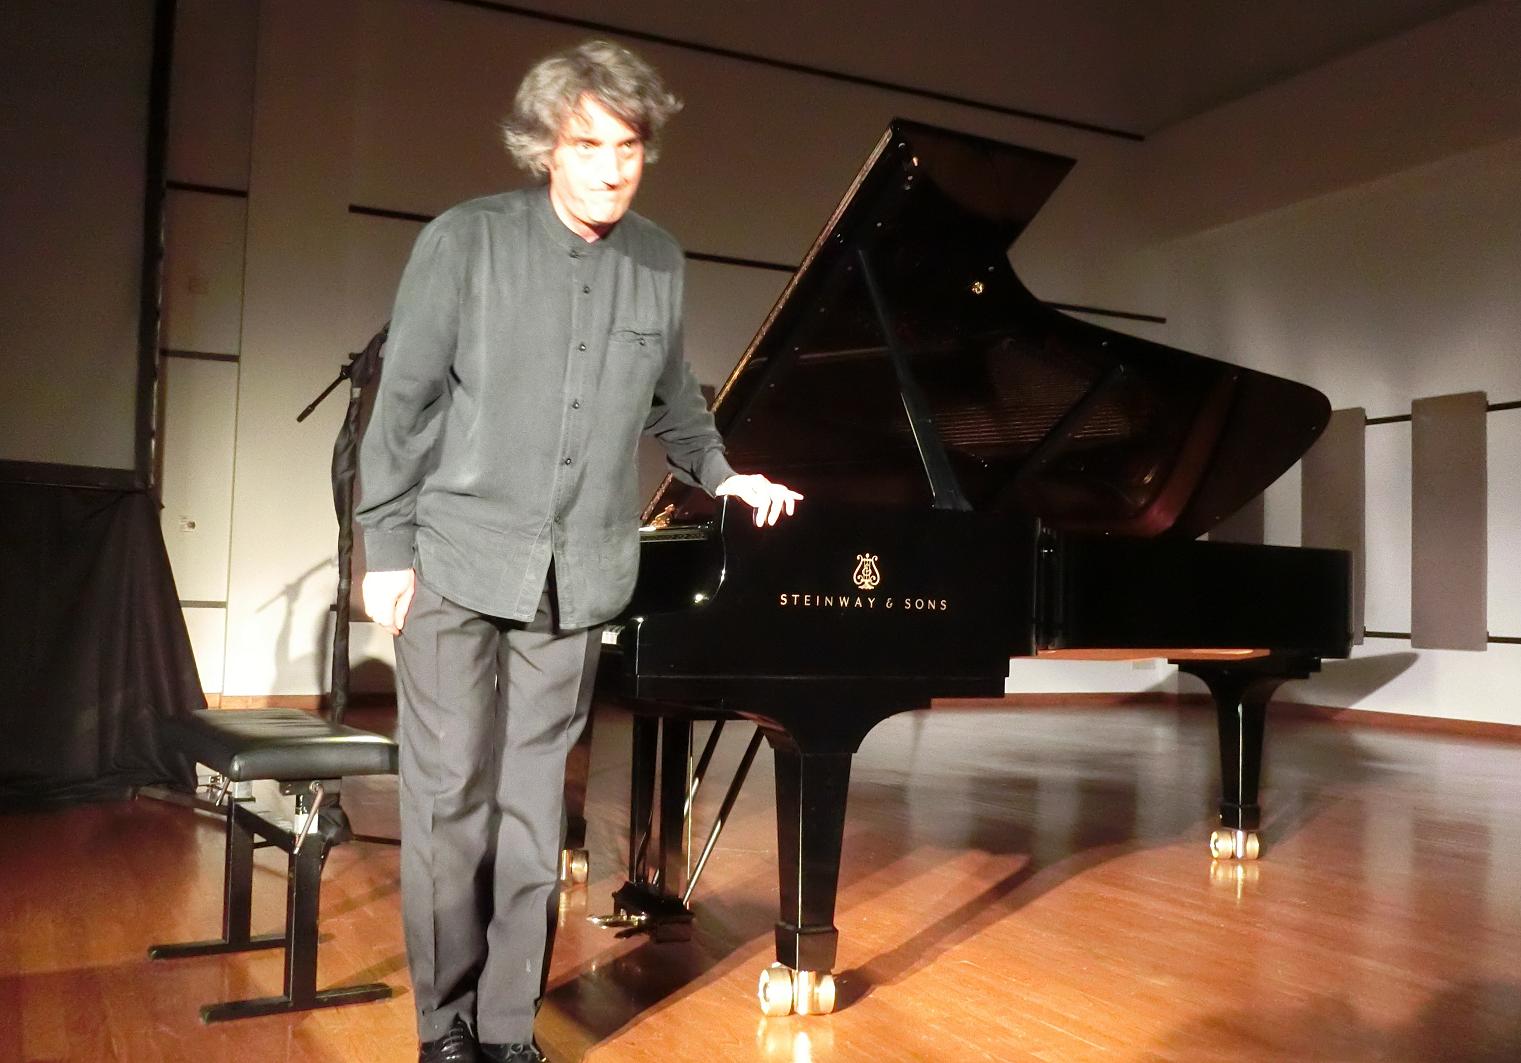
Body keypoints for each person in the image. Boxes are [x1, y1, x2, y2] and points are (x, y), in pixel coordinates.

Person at [356, 39, 801, 1063]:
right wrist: (385, 545)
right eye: (587, 145)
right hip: (455, 561)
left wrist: (726, 475)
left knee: (533, 813)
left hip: (577, 578)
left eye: (628, 147)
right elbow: (402, 406)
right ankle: (443, 1028)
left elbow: (676, 403)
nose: (609, 168)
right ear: (544, 148)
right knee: (449, 803)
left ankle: (507, 1029)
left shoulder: (660, 261)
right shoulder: (465, 241)